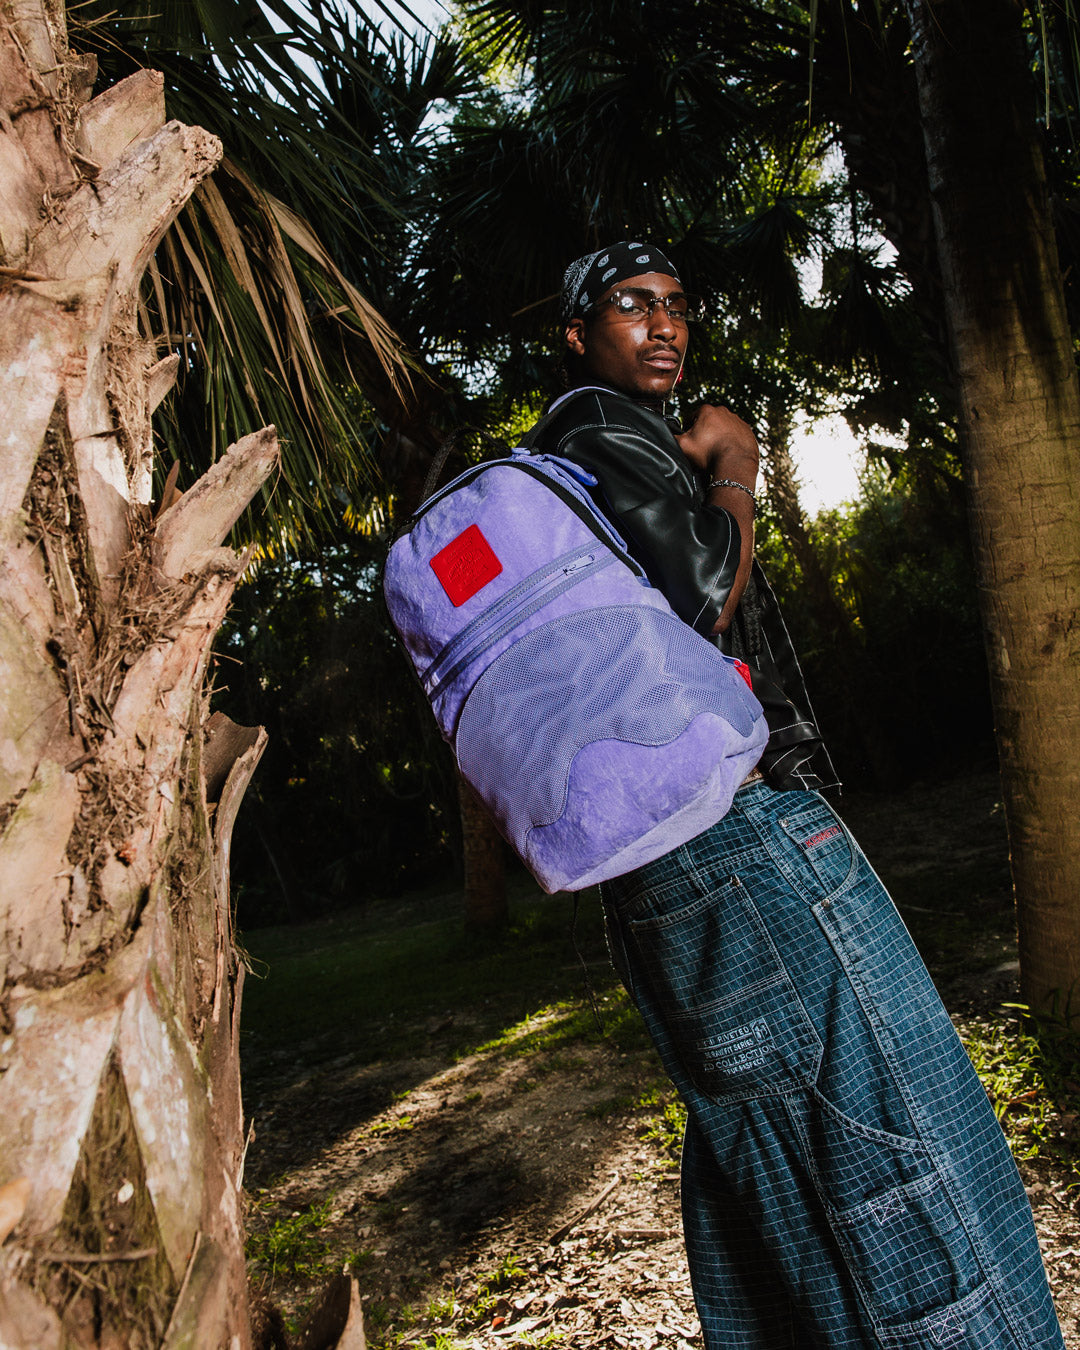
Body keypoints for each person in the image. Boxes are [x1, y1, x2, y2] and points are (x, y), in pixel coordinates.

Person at [530, 241, 1064, 1349]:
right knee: (916, 1162)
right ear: (577, 334)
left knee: (775, 1183)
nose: (666, 324)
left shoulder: (567, 463)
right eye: (633, 304)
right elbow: (705, 590)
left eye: (679, 305)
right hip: (746, 835)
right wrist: (735, 461)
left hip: (673, 856)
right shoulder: (598, 427)